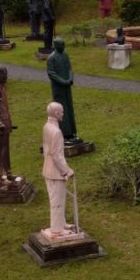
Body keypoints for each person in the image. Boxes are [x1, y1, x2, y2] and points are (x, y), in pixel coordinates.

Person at [42, 101, 77, 237]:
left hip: (48, 169)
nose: (63, 113)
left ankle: (61, 223)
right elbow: (56, 155)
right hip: (55, 171)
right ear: (57, 114)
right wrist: (66, 170)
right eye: (61, 112)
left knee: (58, 199)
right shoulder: (56, 132)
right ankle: (57, 230)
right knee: (57, 201)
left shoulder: (47, 126)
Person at [46, 38, 81, 144]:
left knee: (69, 108)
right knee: (60, 110)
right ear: (55, 45)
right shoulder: (51, 58)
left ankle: (71, 133)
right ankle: (63, 134)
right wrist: (63, 81)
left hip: (67, 87)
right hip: (59, 89)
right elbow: (51, 74)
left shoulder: (65, 55)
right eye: (60, 45)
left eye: (63, 45)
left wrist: (70, 79)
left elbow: (70, 68)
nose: (62, 47)